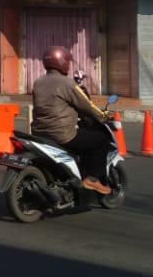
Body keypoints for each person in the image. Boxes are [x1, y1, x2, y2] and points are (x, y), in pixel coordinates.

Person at [31, 46, 112, 195]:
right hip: (62, 134)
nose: (68, 64)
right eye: (67, 61)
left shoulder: (39, 82)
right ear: (62, 62)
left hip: (39, 132)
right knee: (101, 140)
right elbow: (87, 105)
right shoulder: (67, 83)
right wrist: (103, 116)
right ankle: (92, 179)